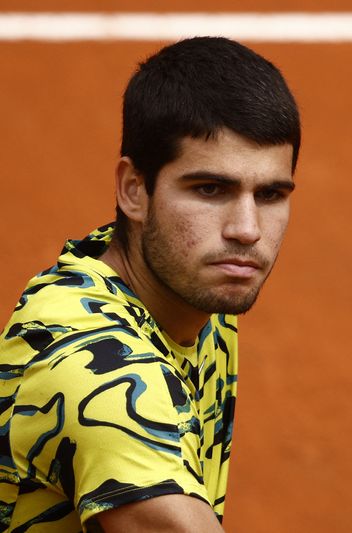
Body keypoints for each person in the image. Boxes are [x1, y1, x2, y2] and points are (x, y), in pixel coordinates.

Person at [0, 36, 301, 532]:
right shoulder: (94, 369)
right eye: (210, 189)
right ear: (133, 191)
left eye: (270, 194)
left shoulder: (187, 283)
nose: (247, 230)